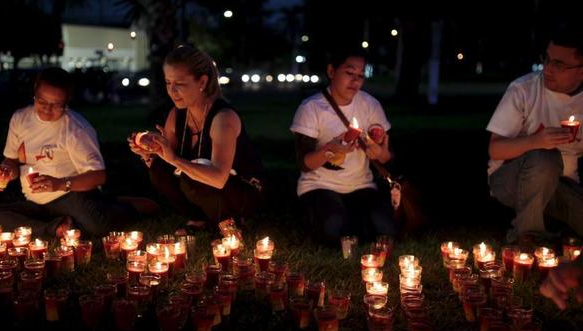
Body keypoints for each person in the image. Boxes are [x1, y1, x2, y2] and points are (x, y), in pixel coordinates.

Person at [0, 67, 137, 237]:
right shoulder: (20, 119)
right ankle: (56, 227)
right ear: (35, 92)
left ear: (67, 101)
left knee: (97, 226)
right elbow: (11, 161)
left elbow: (98, 176)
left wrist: (59, 184)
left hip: (71, 197)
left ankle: (122, 206)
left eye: (56, 105)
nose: (47, 109)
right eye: (42, 101)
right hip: (36, 203)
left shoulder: (76, 129)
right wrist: (6, 172)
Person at [128, 45, 265, 233]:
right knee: (159, 170)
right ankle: (200, 219)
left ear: (202, 82)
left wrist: (174, 159)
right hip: (206, 189)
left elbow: (218, 178)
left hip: (241, 189)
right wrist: (151, 151)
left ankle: (231, 222)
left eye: (180, 84)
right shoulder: (176, 115)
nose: (172, 91)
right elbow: (167, 162)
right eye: (168, 83)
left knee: (190, 176)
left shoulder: (223, 118)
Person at [487, 23, 583, 245]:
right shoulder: (524, 90)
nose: (547, 69)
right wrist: (536, 141)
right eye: (547, 59)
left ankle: (559, 230)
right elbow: (495, 148)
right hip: (512, 179)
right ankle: (527, 237)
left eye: (559, 64)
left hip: (563, 185)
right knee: (544, 157)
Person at [289, 49, 396, 247]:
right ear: (331, 71)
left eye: (361, 75)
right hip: (319, 185)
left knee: (384, 230)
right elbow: (304, 164)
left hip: (361, 185)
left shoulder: (370, 105)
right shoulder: (312, 108)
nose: (355, 81)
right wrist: (329, 149)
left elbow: (388, 157)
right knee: (334, 228)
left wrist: (379, 152)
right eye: (349, 73)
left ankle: (354, 223)